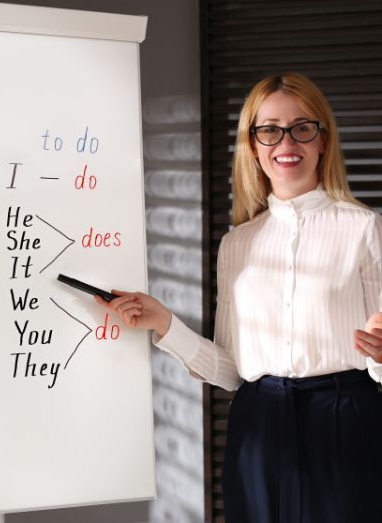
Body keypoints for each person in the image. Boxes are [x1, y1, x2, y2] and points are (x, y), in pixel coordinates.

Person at [95, 72, 382, 523]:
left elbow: (378, 355)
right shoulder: (237, 244)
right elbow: (231, 371)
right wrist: (165, 324)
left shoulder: (365, 228)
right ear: (252, 144)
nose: (286, 142)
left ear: (323, 140)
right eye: (269, 129)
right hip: (259, 424)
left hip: (345, 420)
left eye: (302, 127)